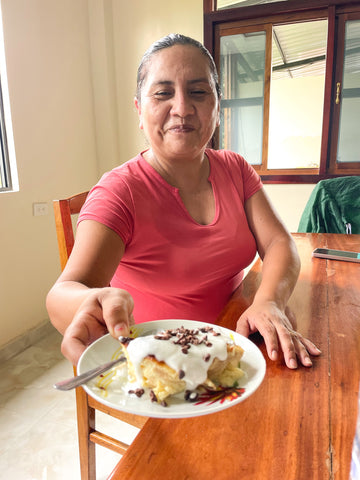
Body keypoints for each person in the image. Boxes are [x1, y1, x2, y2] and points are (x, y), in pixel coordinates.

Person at [46, 33, 321, 368]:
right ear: (139, 109)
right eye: (163, 93)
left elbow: (280, 242)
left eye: (198, 92)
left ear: (217, 106)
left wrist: (268, 301)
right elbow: (63, 292)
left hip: (238, 339)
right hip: (166, 365)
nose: (182, 108)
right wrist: (91, 300)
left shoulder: (235, 169)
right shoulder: (120, 191)